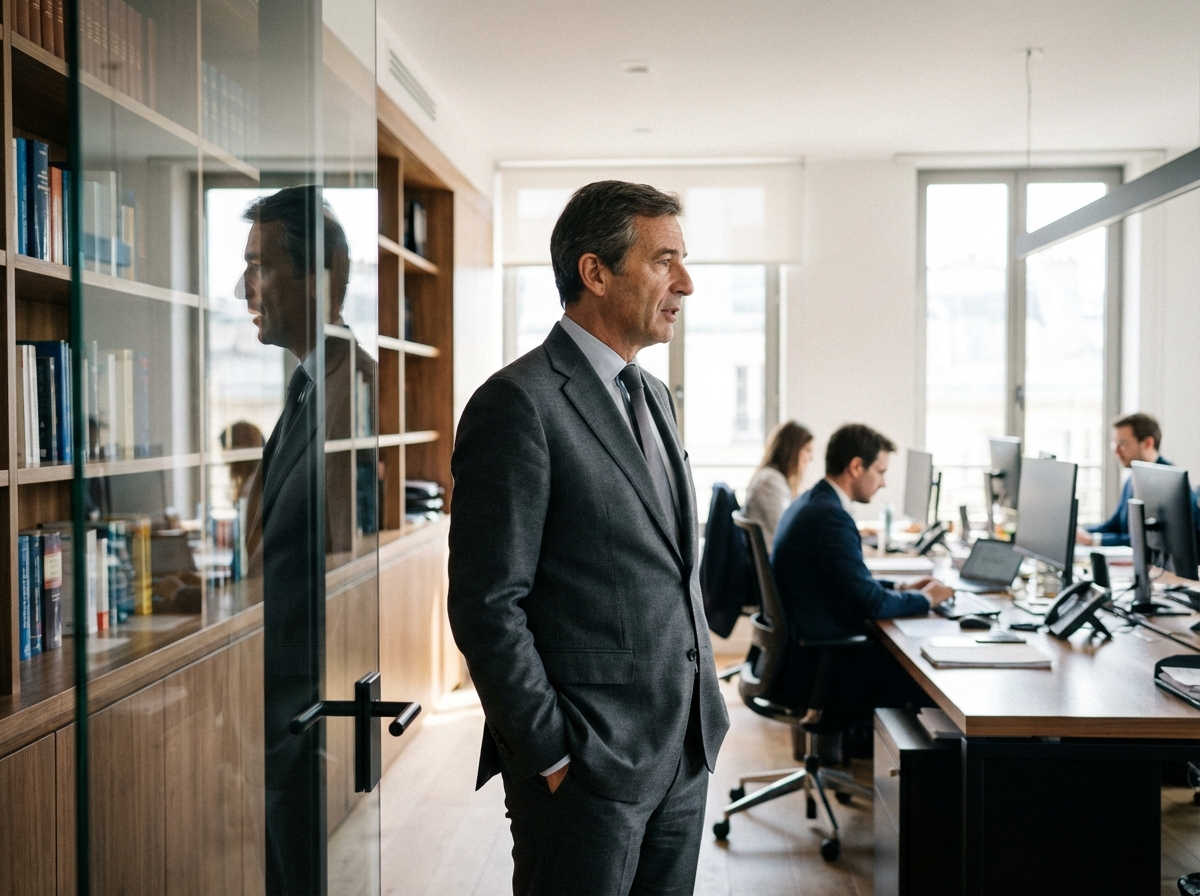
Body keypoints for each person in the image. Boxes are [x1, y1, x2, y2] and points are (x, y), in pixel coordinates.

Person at [448, 181, 729, 896]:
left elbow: (665, 568)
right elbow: (488, 605)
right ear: (595, 272)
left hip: (683, 752)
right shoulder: (518, 403)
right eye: (665, 261)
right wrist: (550, 752)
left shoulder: (656, 396)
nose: (685, 284)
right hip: (585, 770)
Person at [239, 185, 373, 895]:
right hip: (280, 693)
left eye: (259, 265)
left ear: (319, 276)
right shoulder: (308, 387)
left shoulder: (354, 387)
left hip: (305, 691)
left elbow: (346, 552)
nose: (244, 287)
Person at [772, 423, 952, 709]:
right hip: (827, 664)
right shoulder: (830, 518)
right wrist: (929, 599)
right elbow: (873, 604)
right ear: (856, 467)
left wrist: (901, 587)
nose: (883, 483)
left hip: (807, 653)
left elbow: (850, 581)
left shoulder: (812, 501)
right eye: (880, 472)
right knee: (934, 682)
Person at [1076, 412, 1171, 547]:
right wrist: (1081, 533)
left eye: (1122, 444)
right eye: (1114, 444)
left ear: (1148, 443)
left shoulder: (1168, 484)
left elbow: (1152, 539)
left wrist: (1094, 540)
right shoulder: (1133, 477)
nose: (1116, 451)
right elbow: (1115, 525)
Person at [743, 421, 813, 550]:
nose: (810, 457)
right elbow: (785, 531)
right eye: (807, 450)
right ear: (792, 450)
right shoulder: (770, 482)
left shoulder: (773, 478)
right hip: (776, 560)